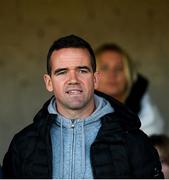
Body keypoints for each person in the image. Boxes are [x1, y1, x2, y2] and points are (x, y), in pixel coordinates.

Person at [2, 35, 163, 179]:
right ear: (49, 82)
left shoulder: (134, 141)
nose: (73, 79)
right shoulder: (23, 144)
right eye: (62, 72)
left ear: (95, 79)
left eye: (82, 70)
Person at [95, 43, 165, 136]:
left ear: (128, 76)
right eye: (105, 68)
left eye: (119, 68)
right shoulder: (77, 107)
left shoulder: (145, 109)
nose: (112, 74)